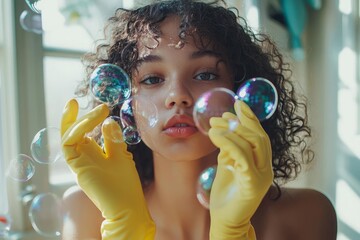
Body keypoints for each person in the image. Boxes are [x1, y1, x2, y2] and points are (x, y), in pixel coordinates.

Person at [60, 0, 337, 239]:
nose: (177, 96)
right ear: (123, 102)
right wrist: (125, 228)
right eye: (152, 79)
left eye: (205, 74)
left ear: (241, 89)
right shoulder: (85, 212)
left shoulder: (307, 215)